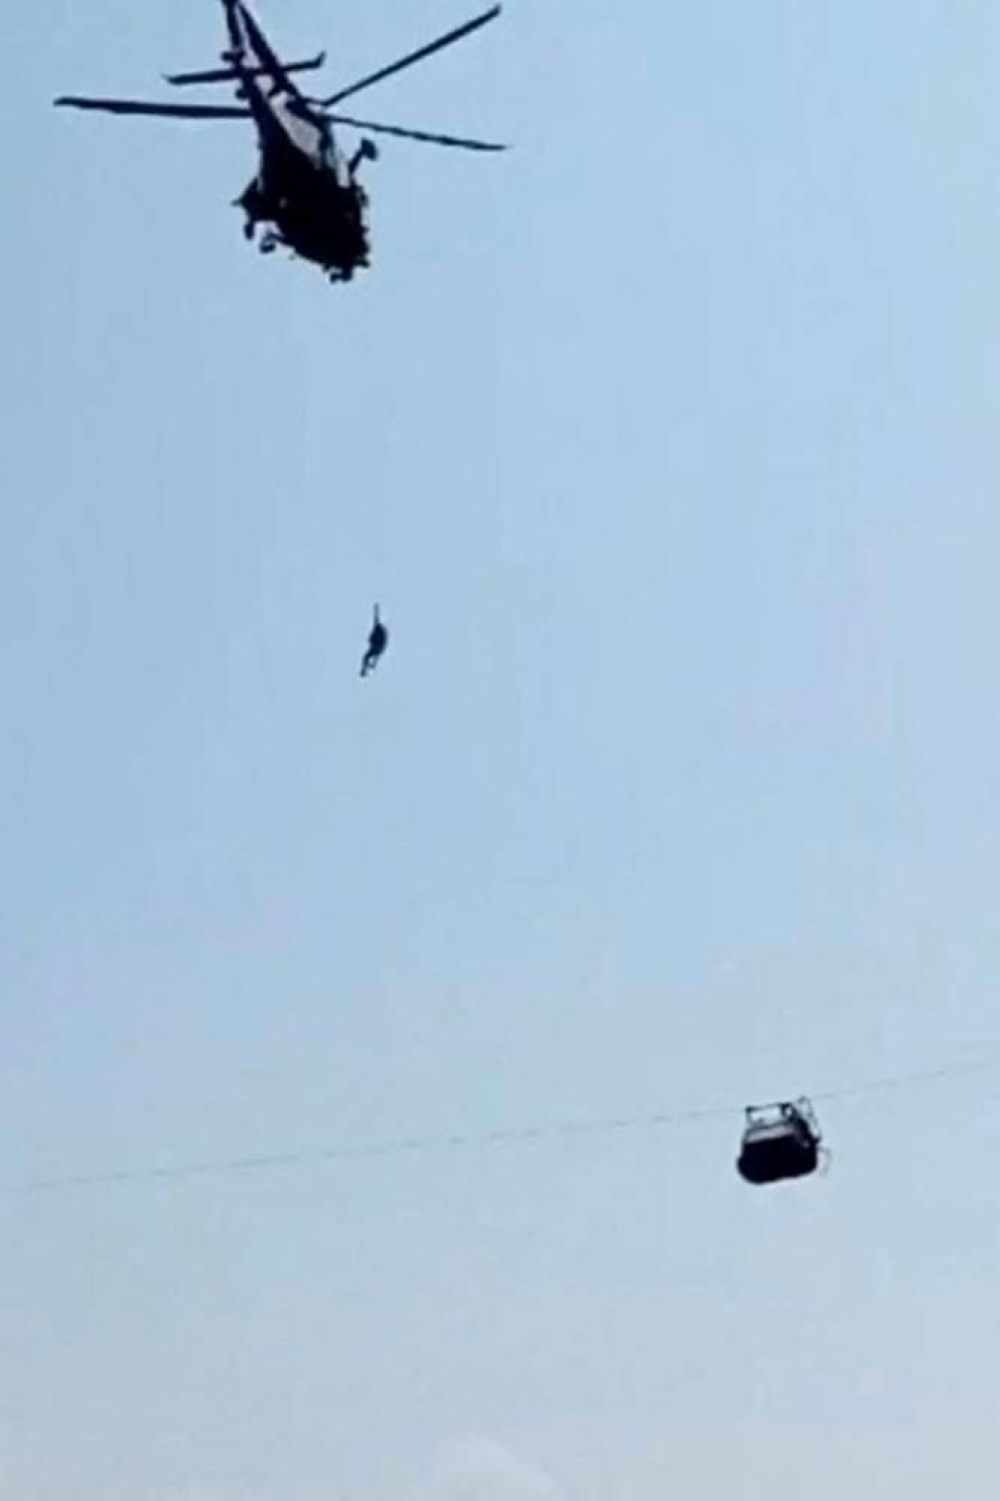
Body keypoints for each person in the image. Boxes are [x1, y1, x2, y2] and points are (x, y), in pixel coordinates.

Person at [360, 604, 389, 677]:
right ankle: (365, 669)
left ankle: (365, 670)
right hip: (376, 647)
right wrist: (376, 609)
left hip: (376, 647)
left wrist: (374, 663)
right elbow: (376, 618)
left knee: (366, 657)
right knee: (366, 657)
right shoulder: (377, 628)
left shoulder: (379, 632)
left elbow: (379, 652)